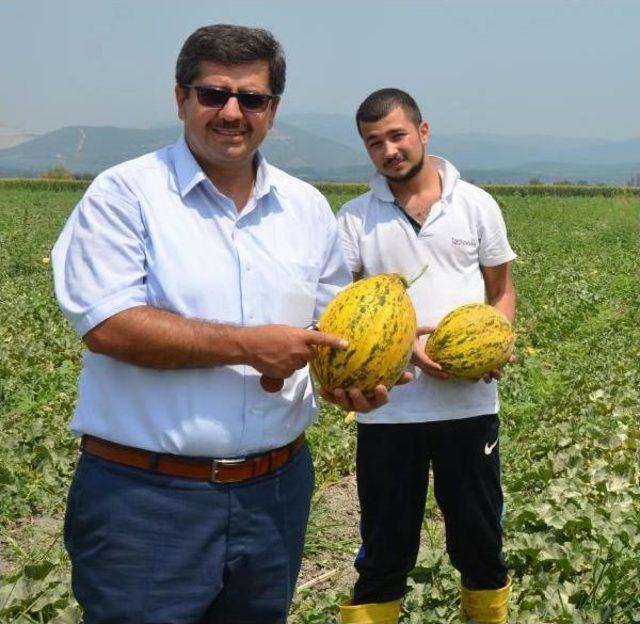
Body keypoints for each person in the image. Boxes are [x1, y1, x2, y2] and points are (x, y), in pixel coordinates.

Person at [52, 25, 395, 624]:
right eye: (213, 94)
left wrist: (365, 372)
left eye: (251, 99)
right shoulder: (125, 195)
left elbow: (330, 325)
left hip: (276, 492)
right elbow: (108, 324)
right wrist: (248, 346)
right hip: (146, 501)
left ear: (273, 111)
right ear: (181, 98)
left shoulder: (305, 208)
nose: (231, 112)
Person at [335, 89, 517, 624]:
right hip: (389, 409)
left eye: (396, 135)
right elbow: (343, 308)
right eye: (374, 143)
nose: (389, 150)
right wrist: (403, 345)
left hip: (470, 406)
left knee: (481, 545)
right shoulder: (353, 219)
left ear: (423, 132)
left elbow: (501, 290)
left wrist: (495, 341)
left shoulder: (476, 205)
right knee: (383, 552)